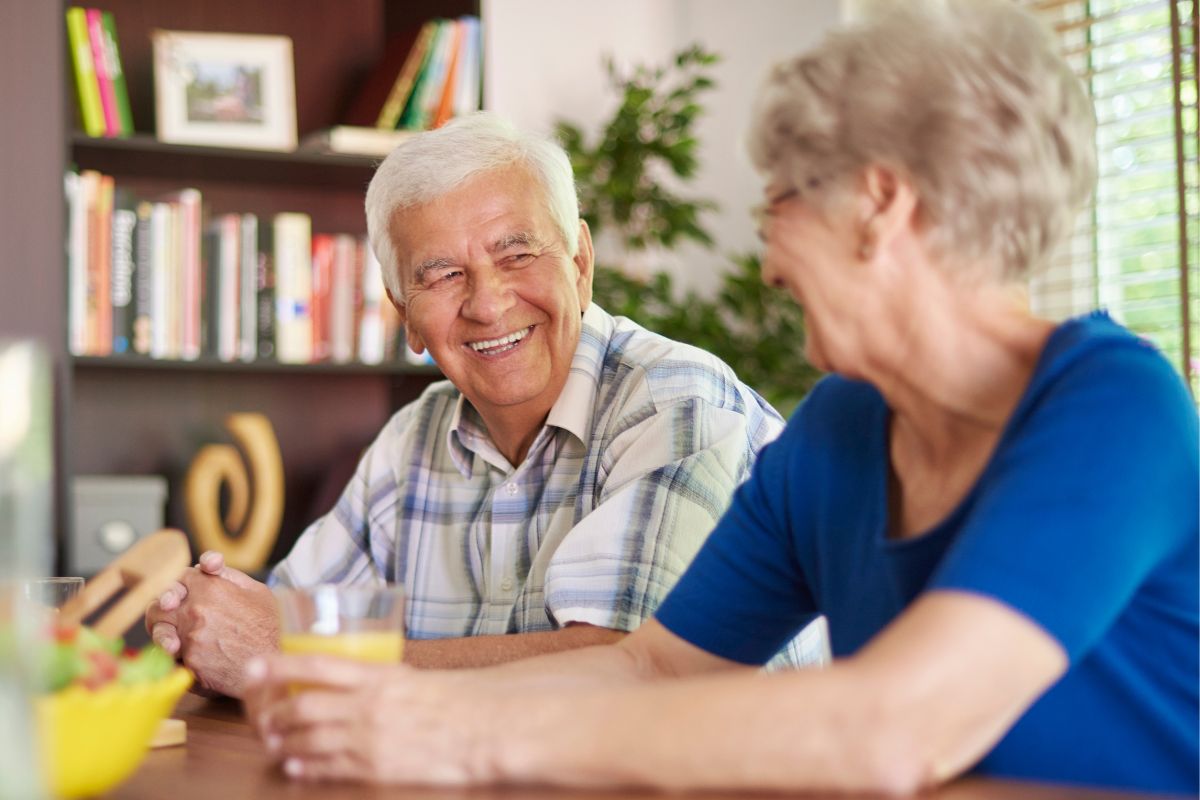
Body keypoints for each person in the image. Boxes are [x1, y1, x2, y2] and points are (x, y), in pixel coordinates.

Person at [243, 1, 1199, 795]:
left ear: (879, 207)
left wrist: (462, 739)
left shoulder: (1113, 409)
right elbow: (648, 665)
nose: (767, 254)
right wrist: (384, 711)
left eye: (780, 200)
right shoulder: (840, 429)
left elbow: (898, 727)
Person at [144, 113, 807, 699]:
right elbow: (283, 617)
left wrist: (292, 654)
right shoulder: (414, 439)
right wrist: (203, 620)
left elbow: (625, 673)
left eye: (516, 254)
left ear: (580, 263)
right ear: (405, 314)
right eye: (441, 275)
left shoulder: (674, 405)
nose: (487, 303)